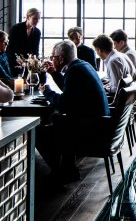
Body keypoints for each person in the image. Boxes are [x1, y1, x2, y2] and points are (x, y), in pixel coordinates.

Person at [37, 40, 110, 183]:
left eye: (53, 57)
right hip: (100, 124)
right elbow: (71, 91)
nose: (51, 59)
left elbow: (64, 104)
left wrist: (47, 92)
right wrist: (54, 73)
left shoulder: (74, 71)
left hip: (91, 130)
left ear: (61, 59)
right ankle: (67, 169)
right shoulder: (82, 65)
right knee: (60, 121)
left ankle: (61, 172)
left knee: (39, 132)